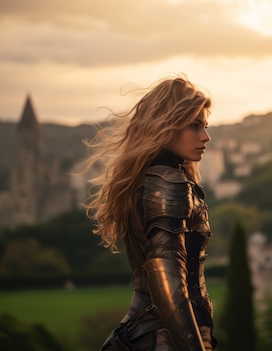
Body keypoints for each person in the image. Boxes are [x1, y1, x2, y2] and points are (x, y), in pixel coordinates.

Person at [83, 75, 216, 351]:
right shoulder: (168, 183)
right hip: (162, 339)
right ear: (167, 126)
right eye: (194, 126)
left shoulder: (153, 178)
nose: (205, 136)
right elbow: (167, 282)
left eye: (205, 126)